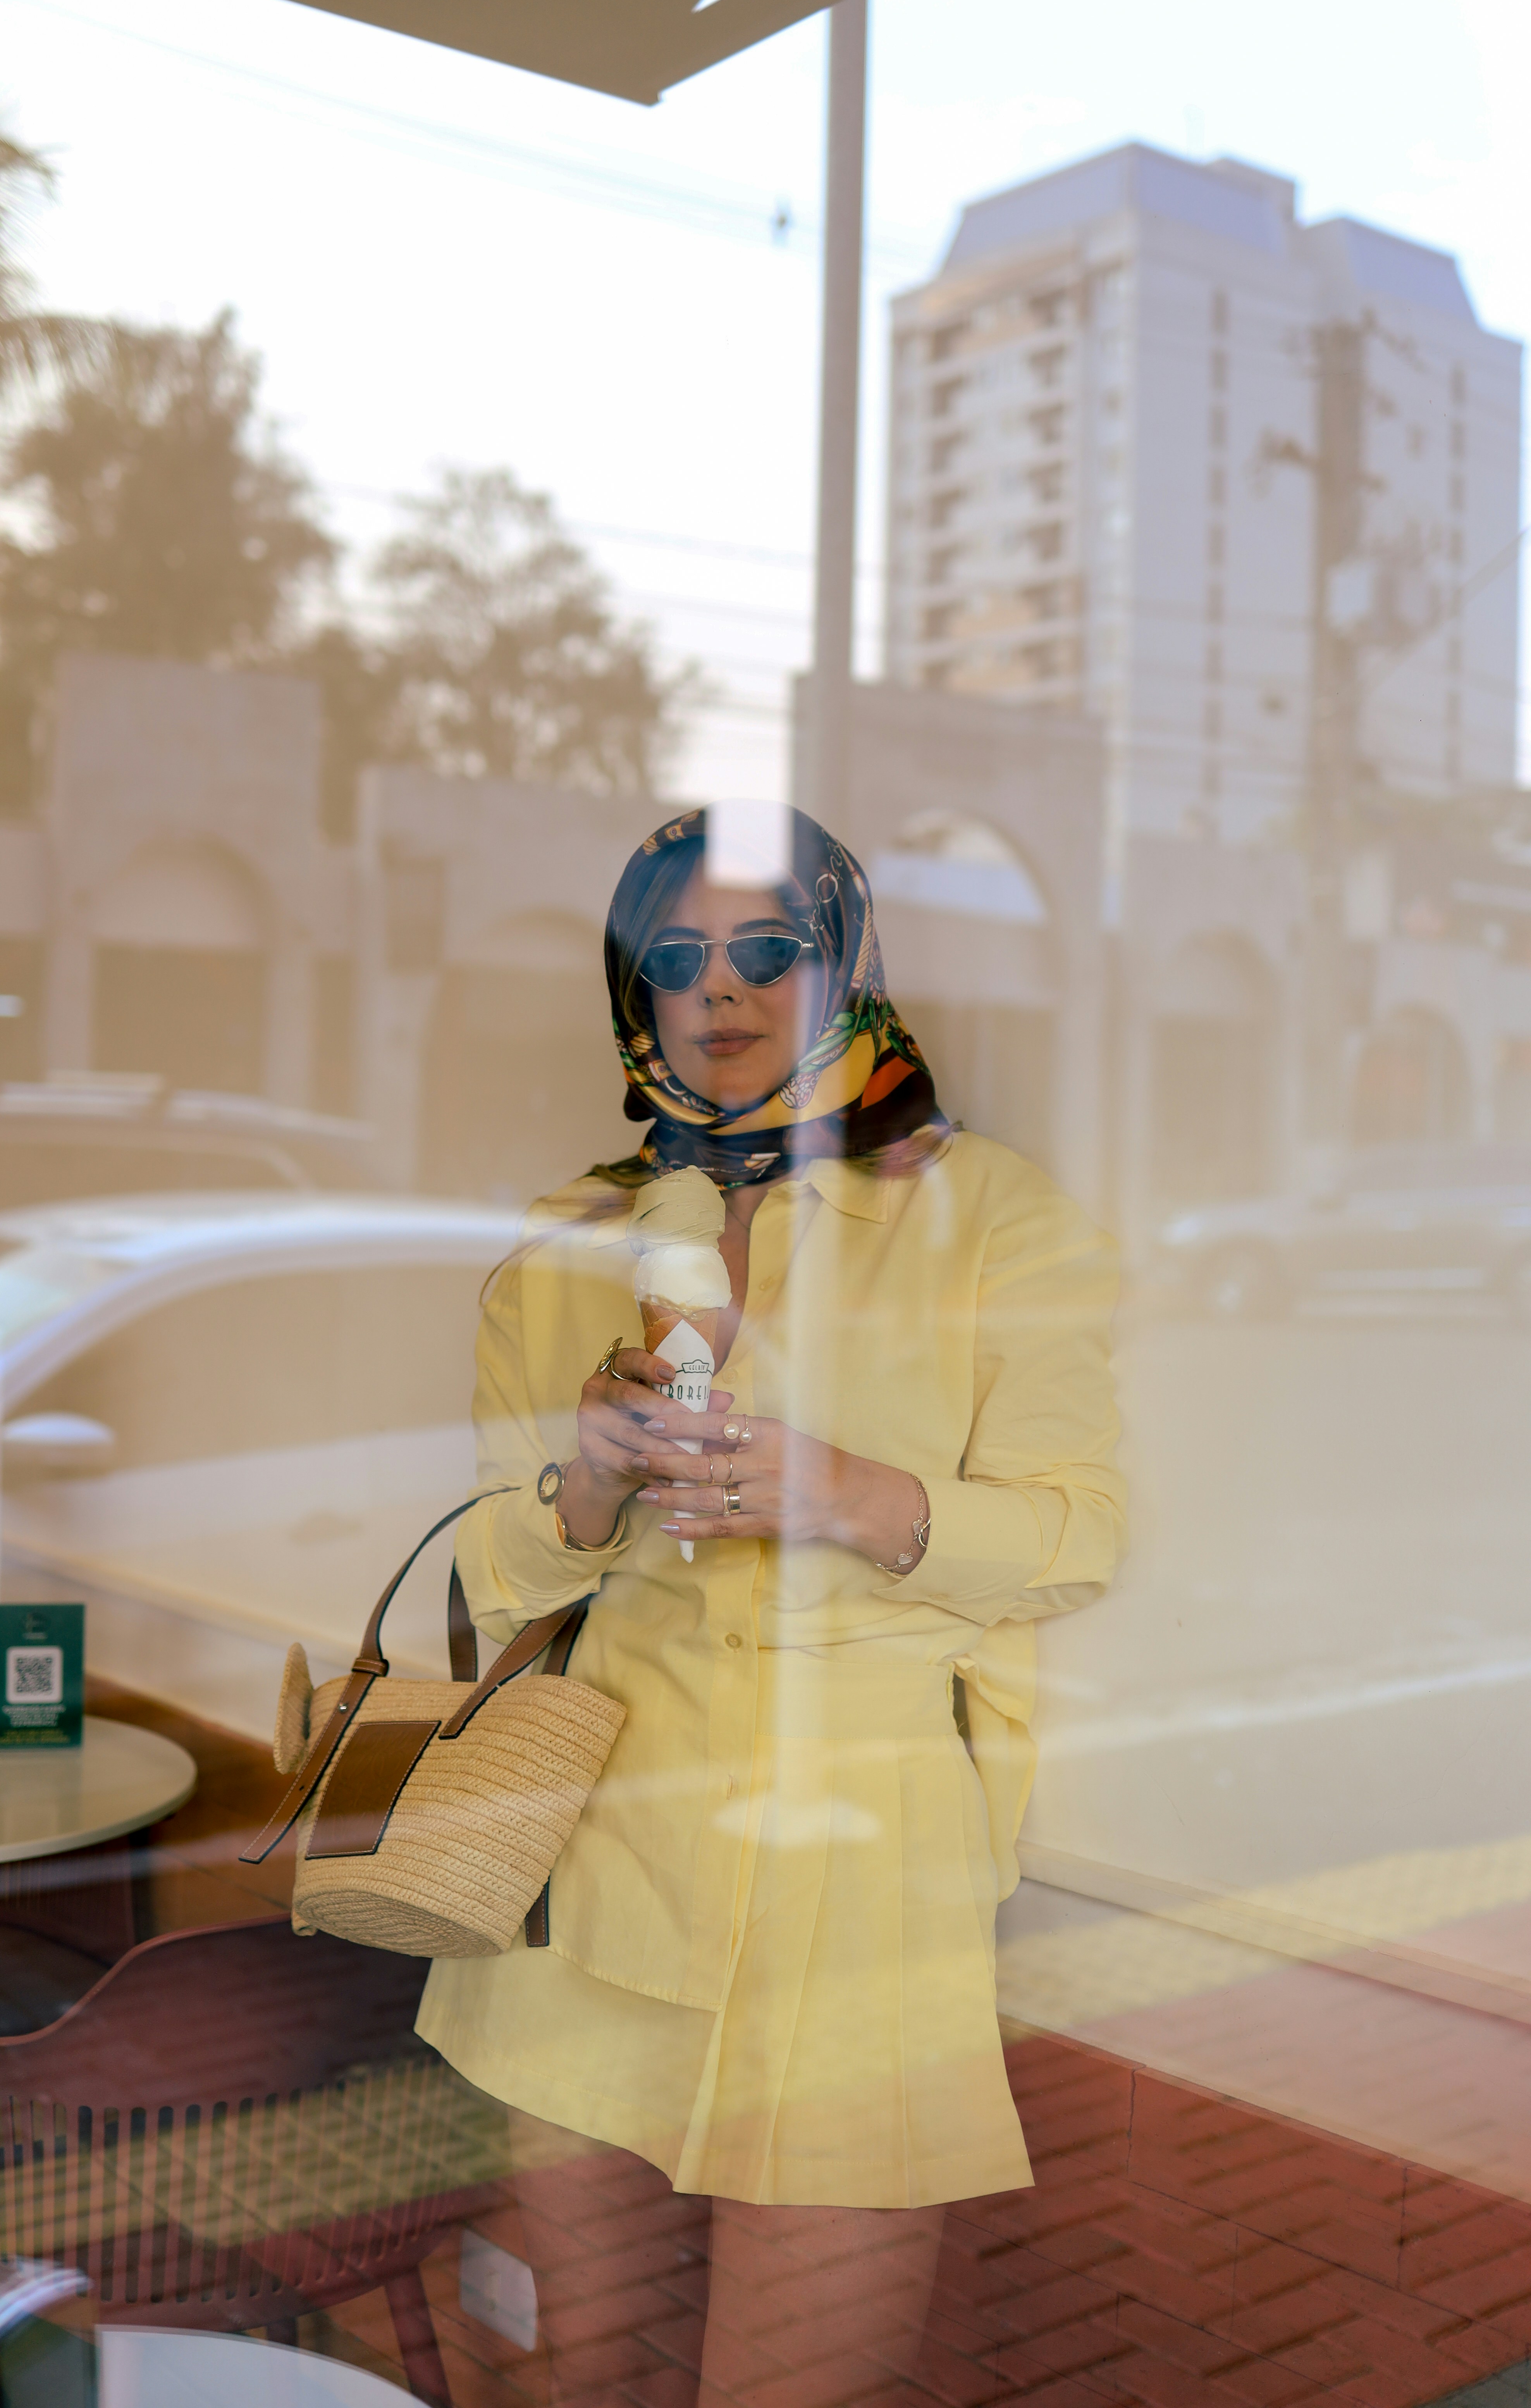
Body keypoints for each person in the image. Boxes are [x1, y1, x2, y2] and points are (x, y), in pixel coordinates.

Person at [418, 803, 1124, 2406]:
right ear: (636, 993)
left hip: (854, 1877)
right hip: (600, 1843)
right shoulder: (575, 1233)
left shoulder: (987, 1215)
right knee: (576, 2369)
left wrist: (844, 1495)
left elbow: (1080, 1533)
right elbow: (491, 1571)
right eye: (675, 958)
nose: (719, 989)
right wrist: (586, 1487)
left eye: (767, 948)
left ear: (844, 963)